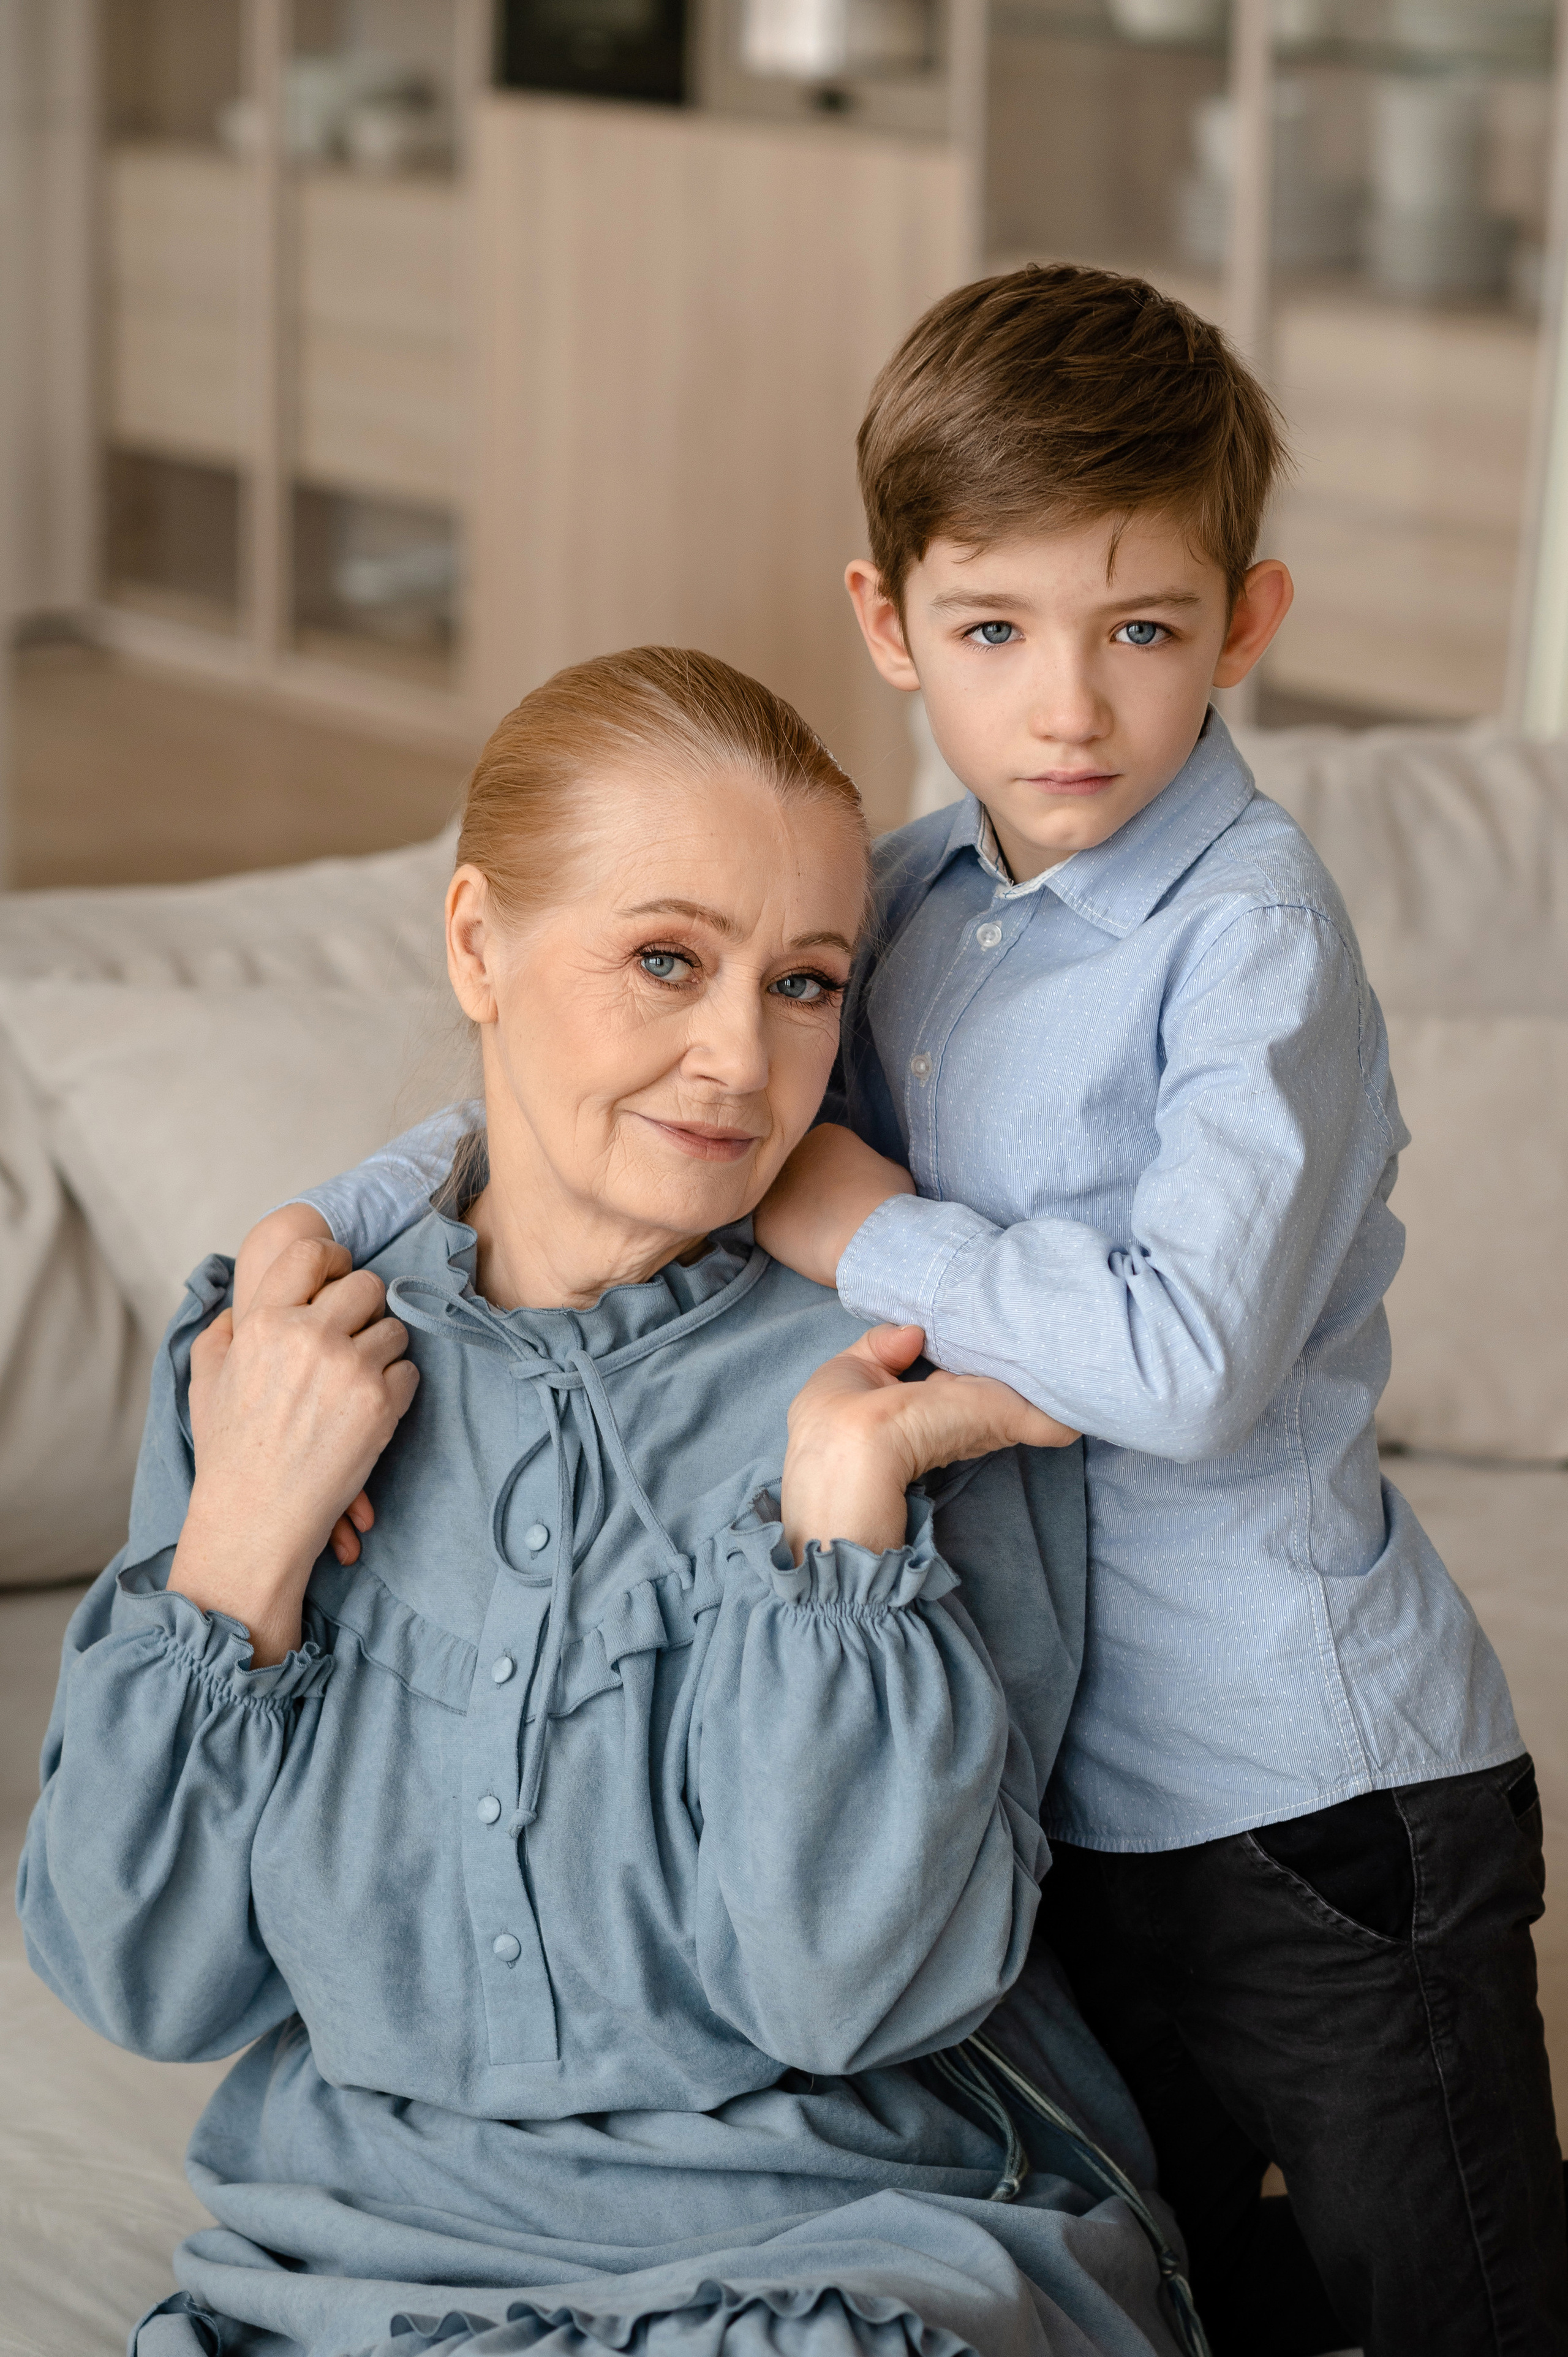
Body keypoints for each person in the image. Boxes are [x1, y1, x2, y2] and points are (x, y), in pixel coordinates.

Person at [251, 272, 1566, 2357]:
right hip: (1050, 1800)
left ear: (1245, 622)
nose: (1068, 708)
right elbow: (621, 1120)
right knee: (1199, 2298)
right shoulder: (908, 895)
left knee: (1449, 2300)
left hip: (1311, 1806)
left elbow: (1190, 1366)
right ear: (888, 624)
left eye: (1140, 632)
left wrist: (874, 1233)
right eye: (994, 634)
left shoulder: (1253, 947)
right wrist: (320, 1227)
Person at [19, 648, 1202, 2357]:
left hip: (839, 2258)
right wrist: (241, 1550)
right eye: (666, 960)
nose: (739, 1057)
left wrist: (839, 1522)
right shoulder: (272, 1360)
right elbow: (143, 1977)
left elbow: (846, 1994)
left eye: (805, 984)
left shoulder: (908, 1376)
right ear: (475, 943)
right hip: (350, 2274)